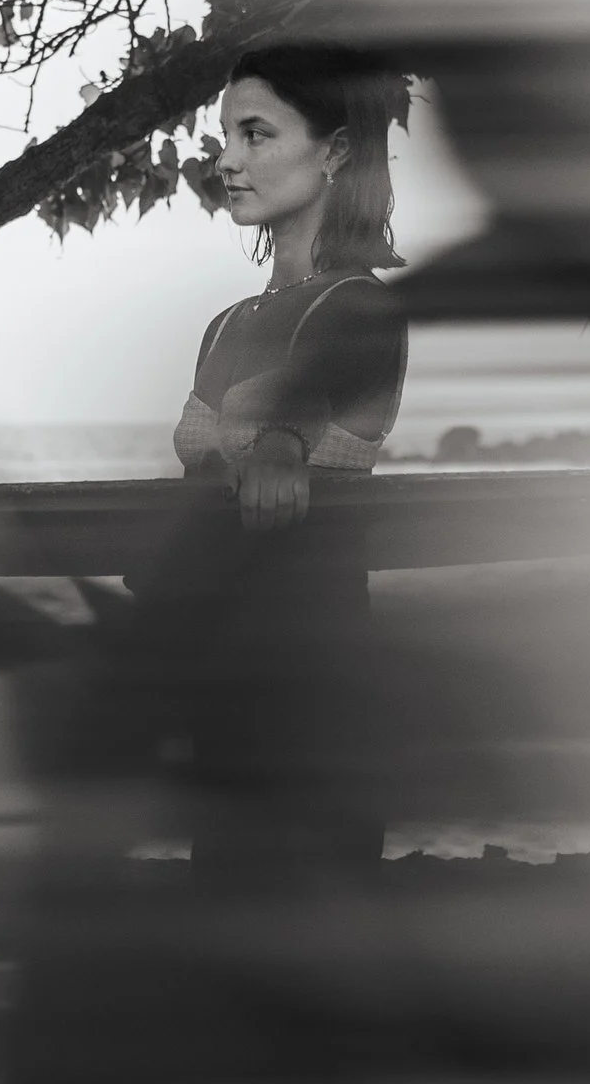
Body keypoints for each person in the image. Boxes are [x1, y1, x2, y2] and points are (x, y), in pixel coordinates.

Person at [138, 49, 410, 888]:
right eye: (226, 135)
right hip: (221, 692)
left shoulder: (361, 305)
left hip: (316, 693)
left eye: (256, 135)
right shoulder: (224, 324)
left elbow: (310, 395)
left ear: (333, 154)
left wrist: (283, 448)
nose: (226, 160)